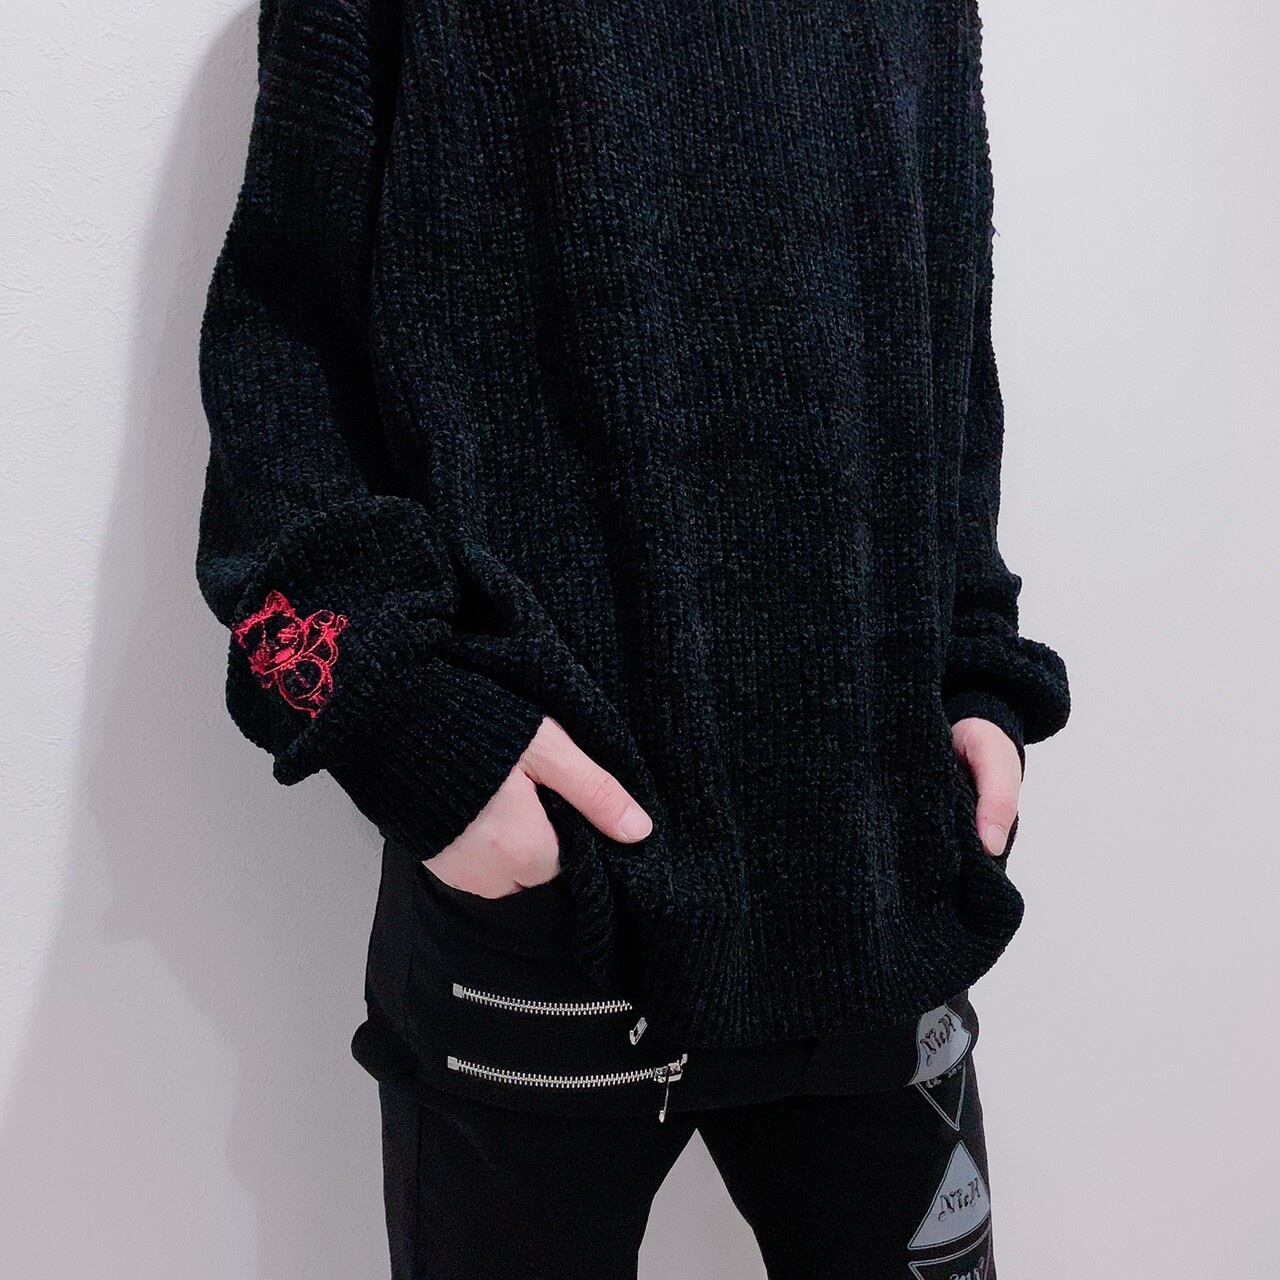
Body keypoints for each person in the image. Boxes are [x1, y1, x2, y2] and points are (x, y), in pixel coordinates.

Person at [195, 1, 1069, 1275]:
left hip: (877, 896)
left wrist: (972, 658)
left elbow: (939, 329)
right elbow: (279, 380)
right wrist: (413, 727)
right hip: (543, 917)